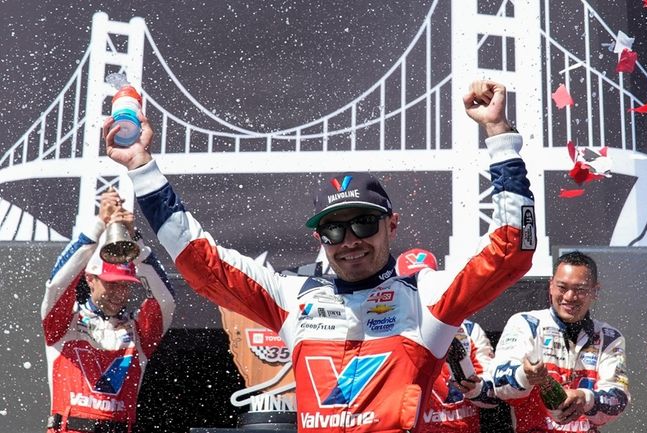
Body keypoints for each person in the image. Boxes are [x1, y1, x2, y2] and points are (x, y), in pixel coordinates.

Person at [104, 79, 535, 432]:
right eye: (333, 228)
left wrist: (499, 138)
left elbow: (512, 249)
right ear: (320, 238)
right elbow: (199, 261)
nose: (349, 240)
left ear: (393, 224)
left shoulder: (427, 296)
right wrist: (141, 167)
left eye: (364, 223)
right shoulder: (293, 297)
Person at [42, 189, 176, 433]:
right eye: (111, 283)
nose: (119, 292)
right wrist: (98, 225)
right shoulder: (64, 325)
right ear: (90, 279)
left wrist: (136, 241)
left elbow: (166, 300)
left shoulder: (139, 332)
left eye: (125, 285)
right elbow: (56, 285)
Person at [489, 251, 629, 432]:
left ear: (595, 291)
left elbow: (618, 399)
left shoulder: (609, 337)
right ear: (551, 286)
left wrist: (585, 398)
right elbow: (498, 382)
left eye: (580, 290)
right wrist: (525, 375)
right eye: (562, 287)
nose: (569, 297)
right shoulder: (526, 324)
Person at [395, 248, 496, 433]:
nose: (419, 290)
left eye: (425, 281)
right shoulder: (388, 334)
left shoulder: (470, 331)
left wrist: (470, 382)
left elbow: (494, 396)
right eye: (412, 283)